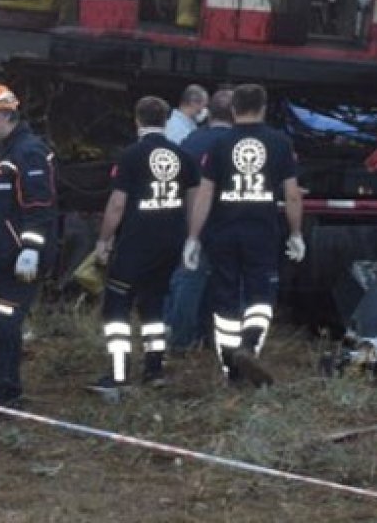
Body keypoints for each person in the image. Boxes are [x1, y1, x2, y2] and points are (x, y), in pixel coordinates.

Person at [183, 84, 304, 387]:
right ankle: (249, 346)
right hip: (261, 231)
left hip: (222, 231)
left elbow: (204, 195)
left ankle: (231, 369)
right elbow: (292, 195)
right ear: (263, 108)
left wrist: (193, 237)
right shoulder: (280, 144)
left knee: (224, 296)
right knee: (259, 295)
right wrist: (296, 233)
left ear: (234, 109)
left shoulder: (219, 145)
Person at [90, 96, 199, 393]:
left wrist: (104, 239)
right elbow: (193, 201)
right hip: (170, 243)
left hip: (136, 243)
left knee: (117, 308)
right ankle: (154, 370)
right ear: (165, 121)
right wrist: (191, 238)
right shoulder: (183, 156)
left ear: (137, 120)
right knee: (154, 308)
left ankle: (118, 373)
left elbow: (117, 204)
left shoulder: (130, 156)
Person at [0, 85, 57, 414]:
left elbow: (39, 207)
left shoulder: (27, 152)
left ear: (2, 115)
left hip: (14, 262)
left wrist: (30, 249)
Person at [165, 89, 234, 351]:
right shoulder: (240, 143)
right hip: (230, 222)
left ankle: (180, 339)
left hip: (191, 220)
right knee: (224, 283)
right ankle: (212, 339)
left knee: (188, 279)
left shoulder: (191, 141)